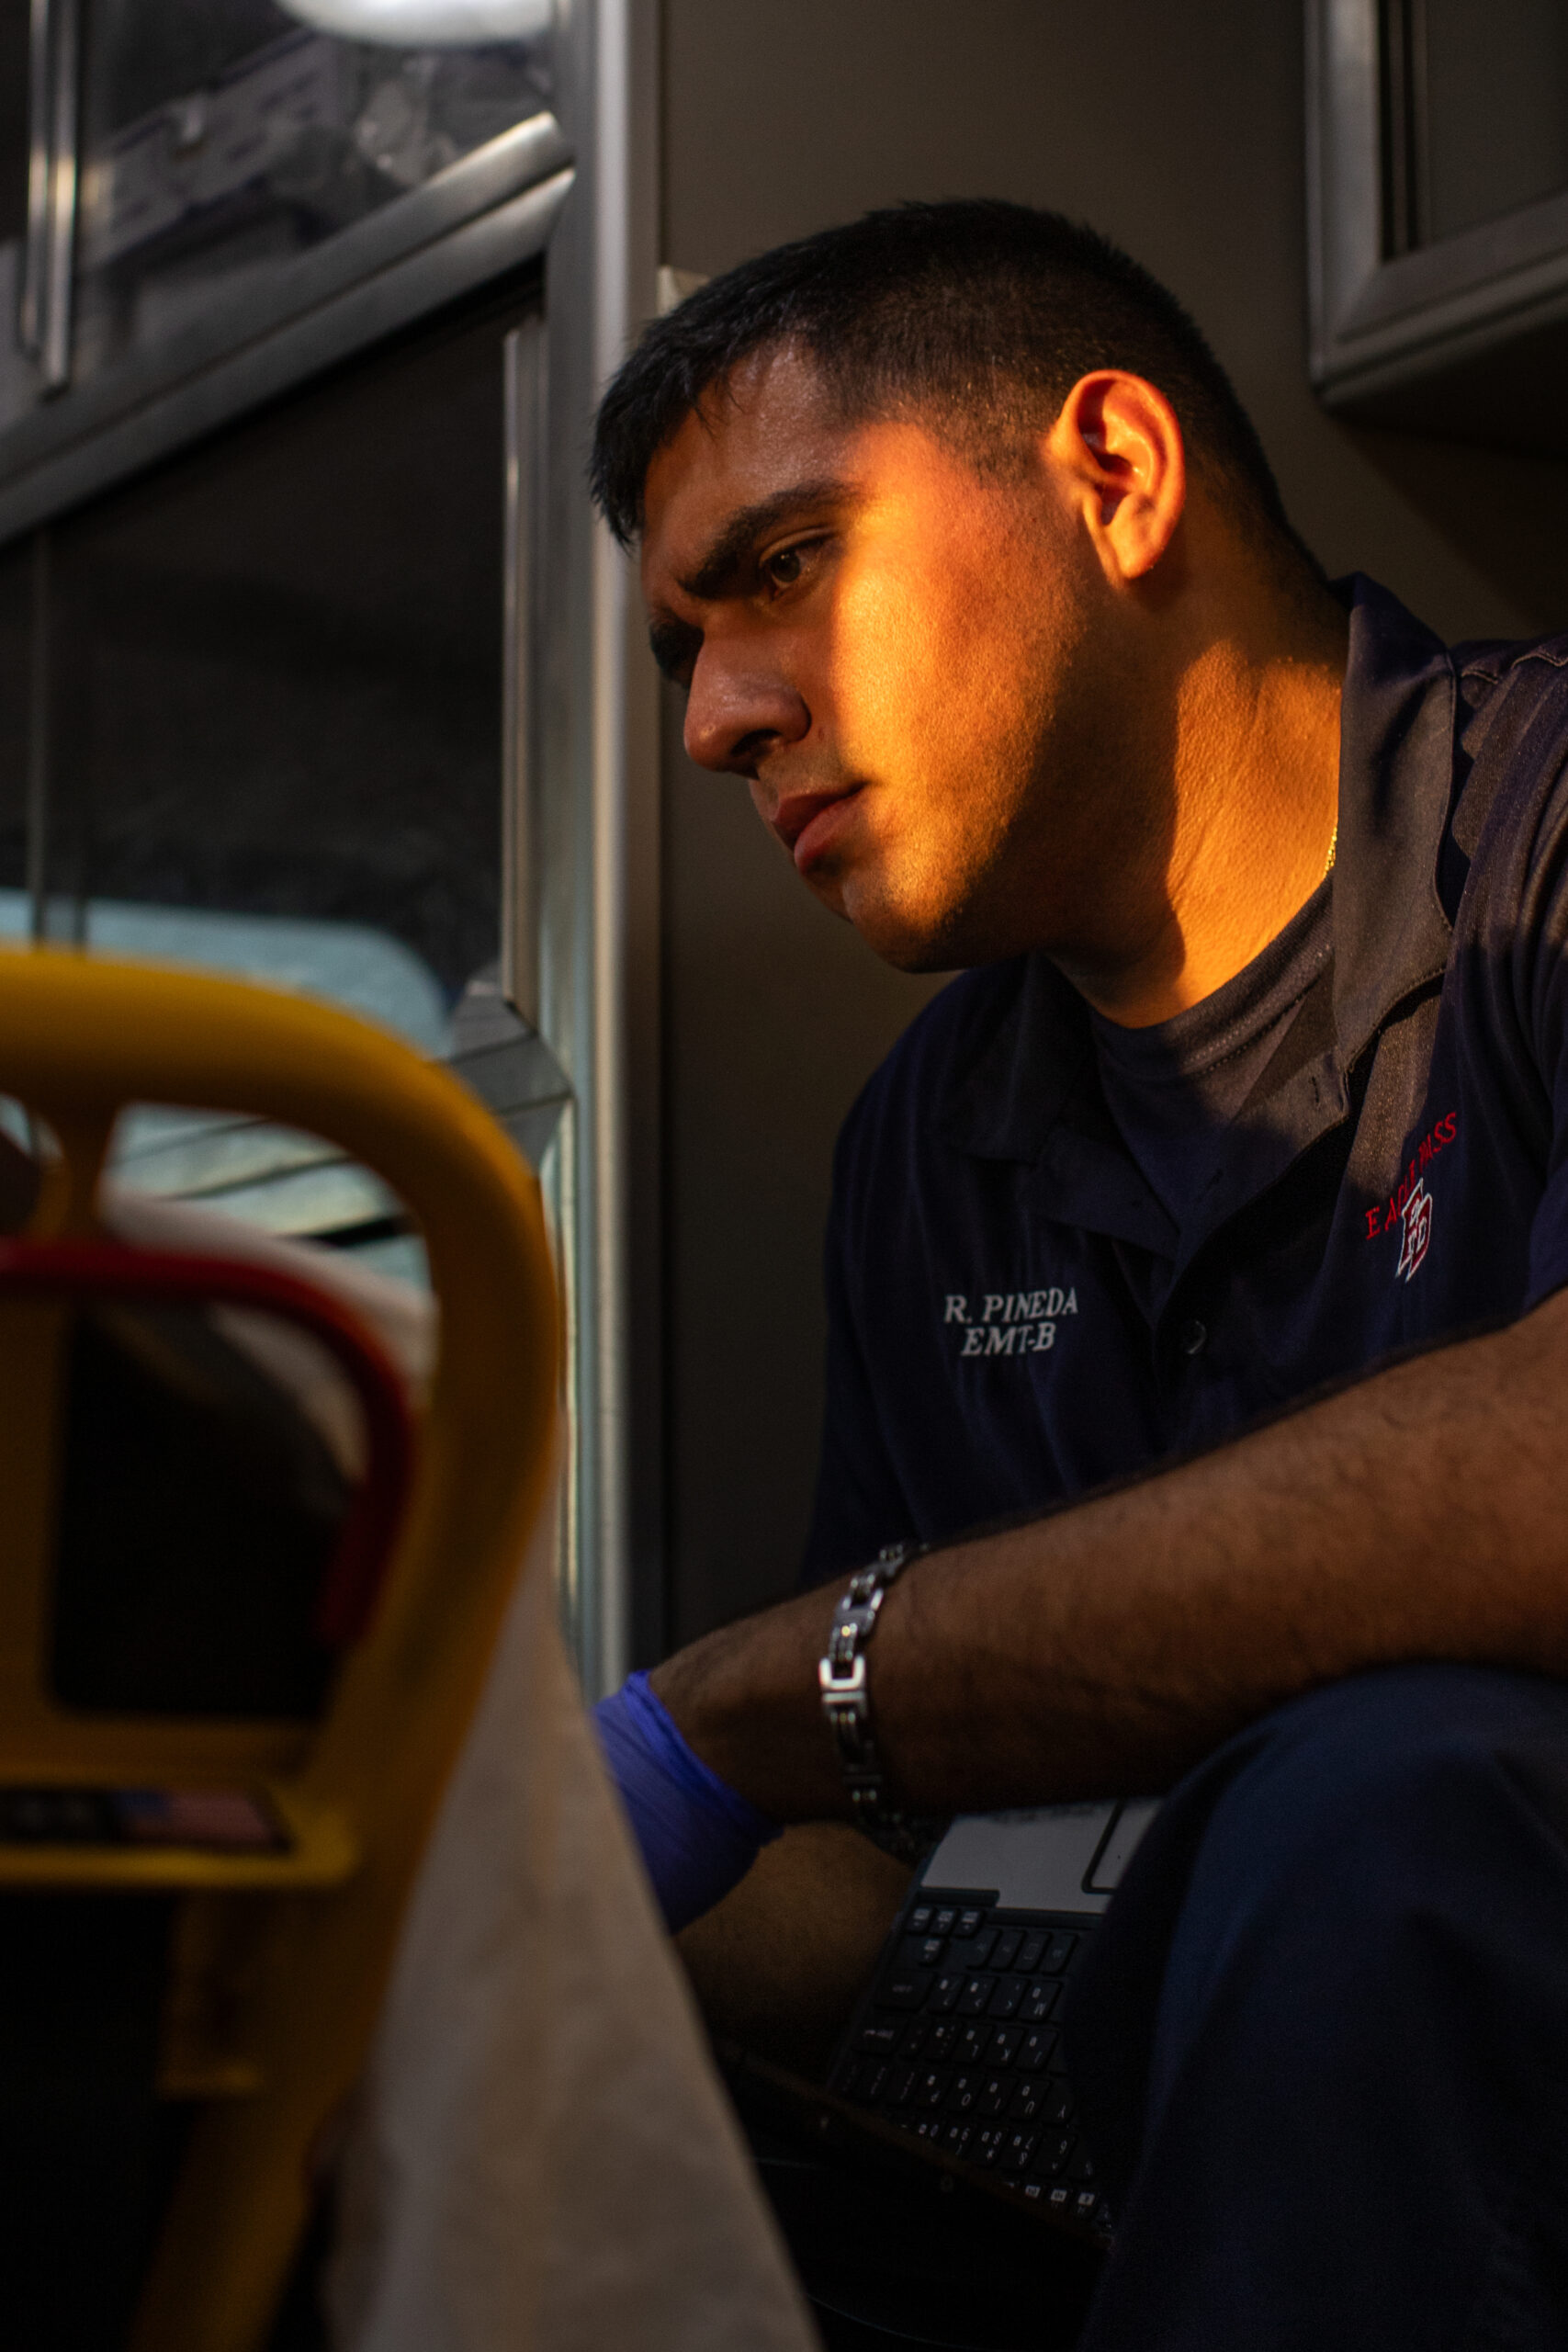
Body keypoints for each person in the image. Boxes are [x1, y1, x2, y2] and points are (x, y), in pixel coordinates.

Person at [591, 199, 1568, 2348]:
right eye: (681, 652)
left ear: (1110, 478)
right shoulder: (931, 1138)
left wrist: (755, 1699)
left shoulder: (1541, 849)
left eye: (778, 571)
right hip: (1108, 2203)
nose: (715, 722)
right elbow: (883, 1845)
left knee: (1393, 1796)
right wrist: (518, 1891)